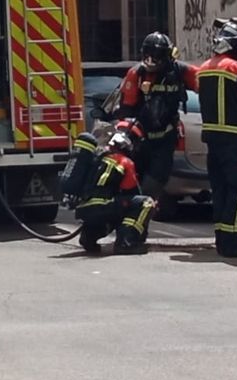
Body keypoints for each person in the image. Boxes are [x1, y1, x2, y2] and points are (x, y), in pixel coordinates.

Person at [196, 20, 237, 258]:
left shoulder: (203, 68)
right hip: (234, 139)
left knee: (221, 189)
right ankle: (233, 244)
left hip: (212, 140)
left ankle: (222, 241)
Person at [117, 31, 195, 200]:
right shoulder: (136, 74)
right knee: (133, 184)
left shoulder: (180, 71)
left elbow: (206, 81)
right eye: (148, 54)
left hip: (165, 140)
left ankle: (140, 212)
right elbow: (126, 110)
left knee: (154, 184)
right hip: (141, 140)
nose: (151, 60)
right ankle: (134, 218)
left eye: (157, 55)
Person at [73, 125, 153, 255]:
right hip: (104, 207)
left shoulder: (96, 159)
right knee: (146, 203)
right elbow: (131, 191)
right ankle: (125, 243)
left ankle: (89, 237)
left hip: (84, 209)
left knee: (110, 208)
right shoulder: (125, 162)